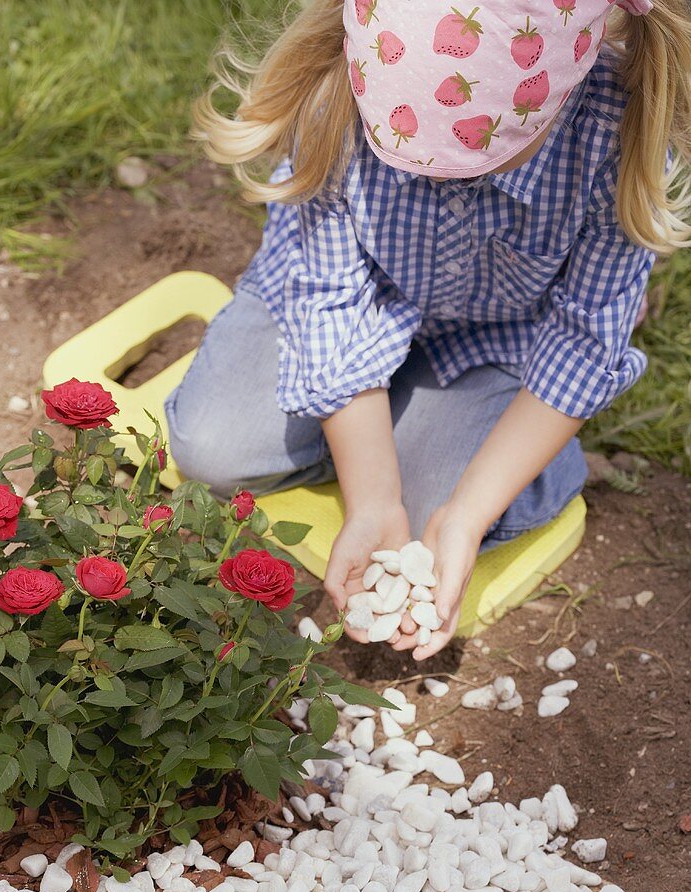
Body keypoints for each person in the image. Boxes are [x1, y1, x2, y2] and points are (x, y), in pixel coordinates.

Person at [165, 0, 691, 659]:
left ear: (562, 89)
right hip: (349, 302)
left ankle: (509, 456)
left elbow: (582, 345)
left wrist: (465, 517)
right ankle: (385, 425)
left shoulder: (620, 133)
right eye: (408, 155)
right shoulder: (339, 91)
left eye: (478, 160)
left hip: (499, 338)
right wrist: (372, 494)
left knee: (434, 521)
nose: (440, 177)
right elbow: (331, 293)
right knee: (211, 447)